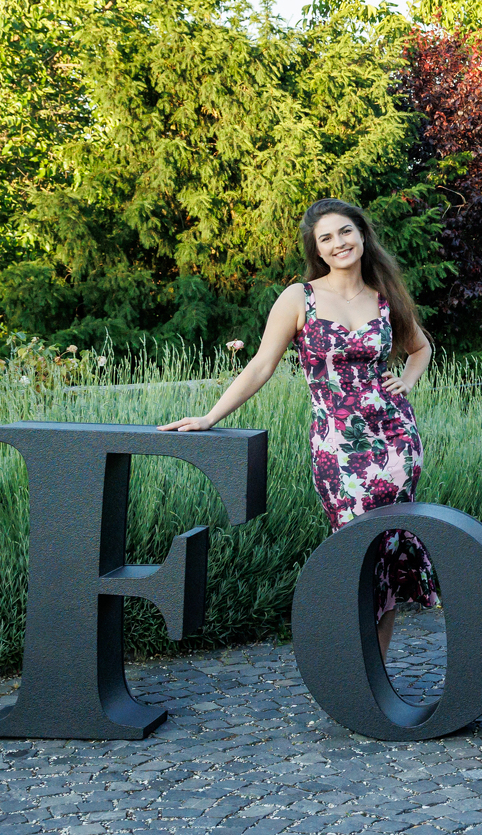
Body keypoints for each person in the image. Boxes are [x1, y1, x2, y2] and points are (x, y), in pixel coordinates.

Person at [161, 198, 436, 659]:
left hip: (396, 442)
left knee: (388, 550)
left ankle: (375, 669)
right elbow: (260, 365)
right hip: (337, 446)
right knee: (355, 551)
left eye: (345, 232)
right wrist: (210, 417)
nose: (338, 243)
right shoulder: (299, 297)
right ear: (317, 249)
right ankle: (349, 662)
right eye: (326, 238)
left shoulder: (385, 295)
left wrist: (405, 382)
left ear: (362, 234)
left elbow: (420, 348)